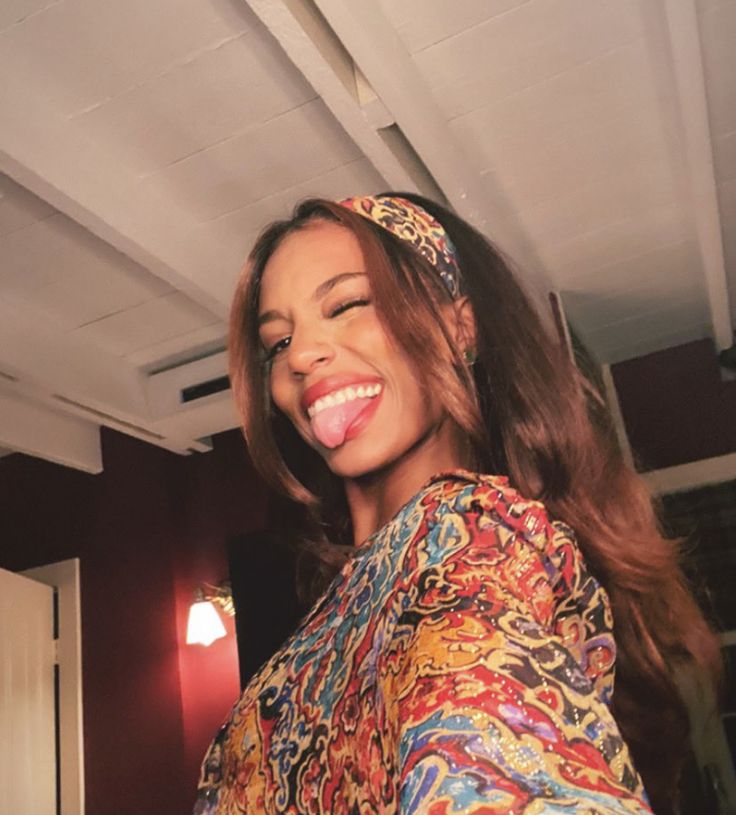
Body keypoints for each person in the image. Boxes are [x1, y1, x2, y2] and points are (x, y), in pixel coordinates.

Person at [194, 193, 721, 815]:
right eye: (278, 342)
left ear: (460, 327)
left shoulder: (471, 542)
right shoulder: (353, 593)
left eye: (347, 304)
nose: (302, 355)